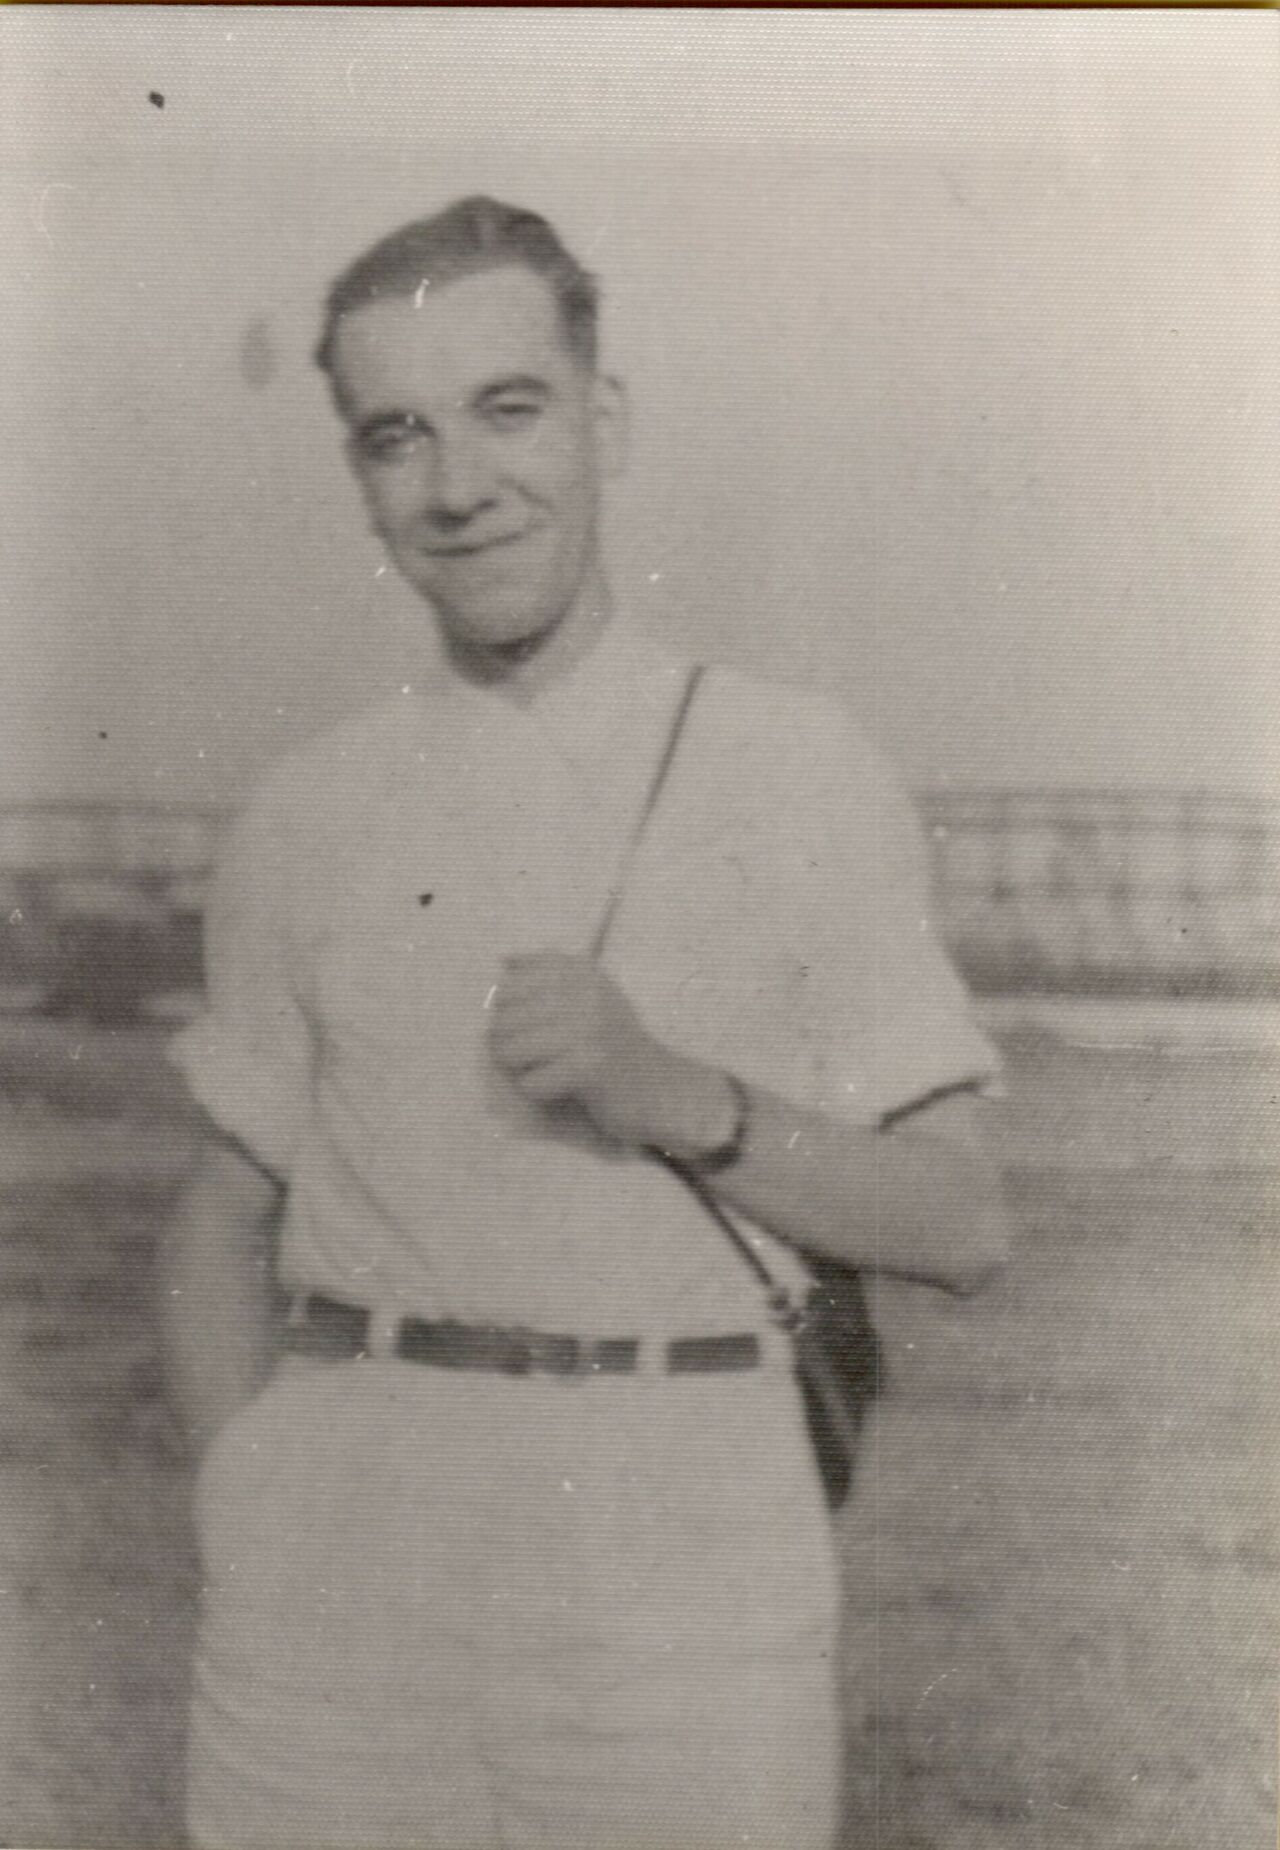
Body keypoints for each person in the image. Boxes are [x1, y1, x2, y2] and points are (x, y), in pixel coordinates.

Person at [161, 196, 1010, 1850]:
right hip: (344, 1544)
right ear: (360, 479)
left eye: (509, 408)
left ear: (603, 421)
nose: (461, 485)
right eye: (397, 436)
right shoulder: (303, 811)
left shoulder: (796, 764)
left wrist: (676, 1091)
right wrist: (242, 1491)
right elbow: (222, 1206)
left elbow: (965, 1219)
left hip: (682, 1525)